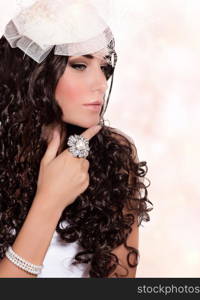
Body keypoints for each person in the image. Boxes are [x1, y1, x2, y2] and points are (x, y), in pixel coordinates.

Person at [0, 0, 152, 278]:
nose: (100, 83)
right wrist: (50, 200)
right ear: (34, 72)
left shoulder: (114, 154)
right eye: (80, 65)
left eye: (104, 67)